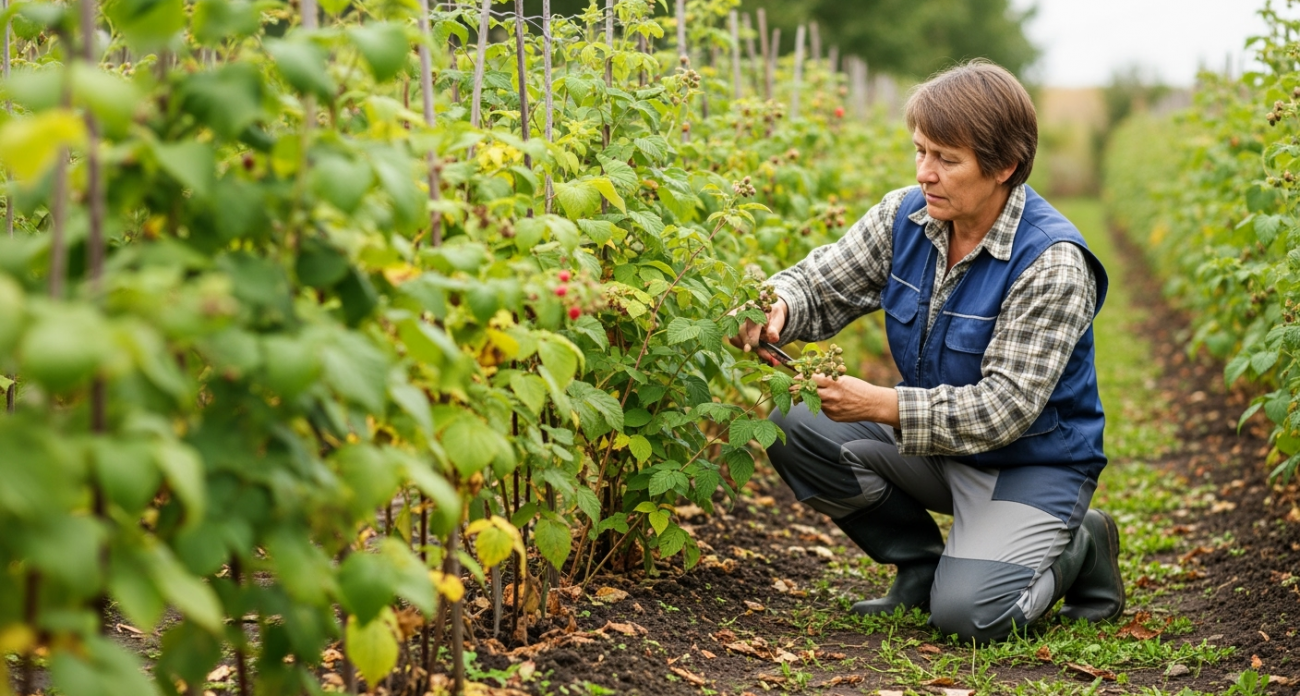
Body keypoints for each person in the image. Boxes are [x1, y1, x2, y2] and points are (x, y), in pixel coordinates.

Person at [729, 60, 1124, 644]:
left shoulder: (1051, 261)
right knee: (794, 421)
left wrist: (882, 404)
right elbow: (822, 280)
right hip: (940, 449)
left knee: (972, 616)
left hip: (1031, 464)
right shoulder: (906, 215)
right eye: (920, 151)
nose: (926, 173)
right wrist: (779, 306)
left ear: (1004, 167)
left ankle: (1082, 545)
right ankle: (919, 569)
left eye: (946, 159)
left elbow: (1004, 409)